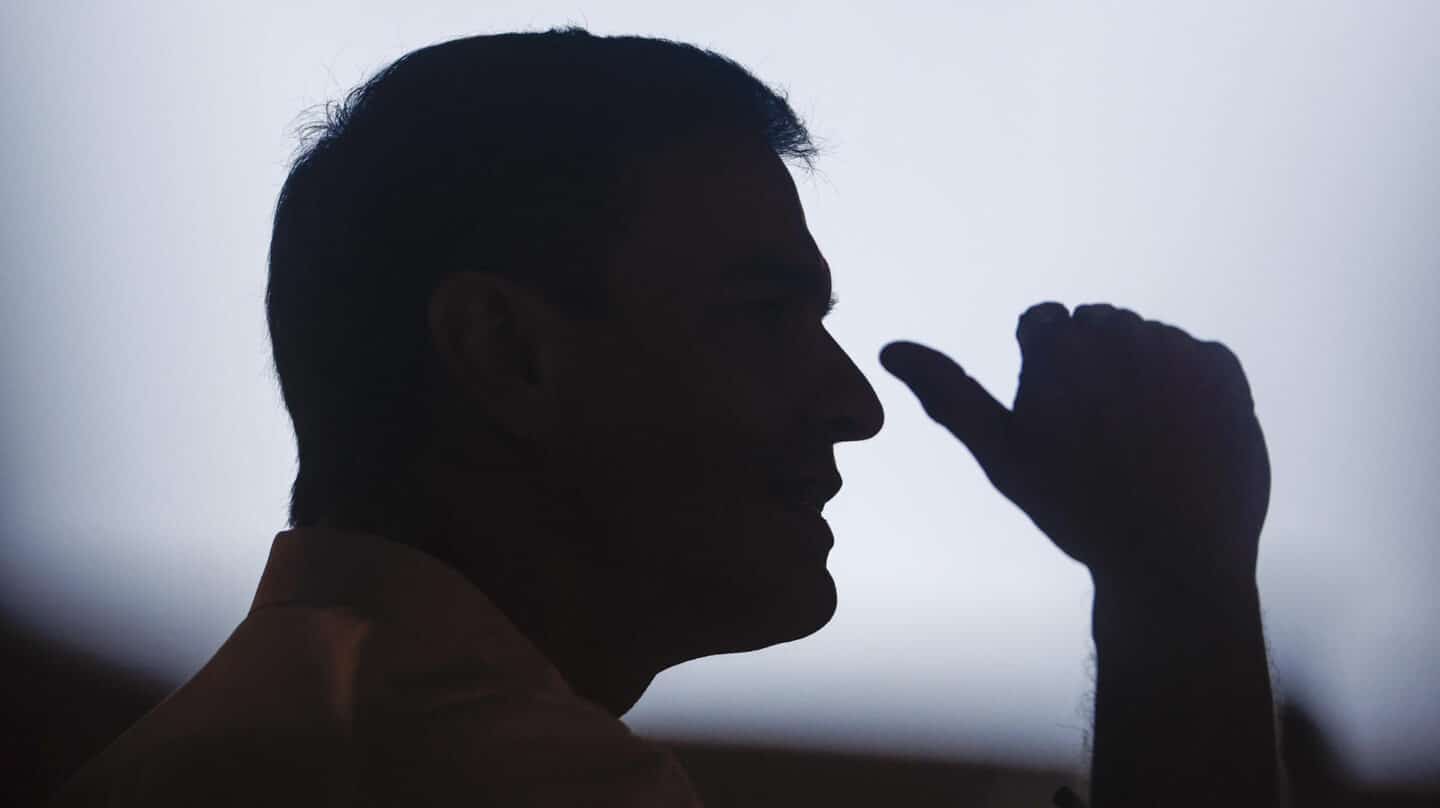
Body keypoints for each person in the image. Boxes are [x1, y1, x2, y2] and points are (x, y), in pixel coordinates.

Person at [54, 26, 1281, 807]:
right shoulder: (482, 772)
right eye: (761, 315)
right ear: (507, 350)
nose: (854, 406)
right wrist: (1180, 585)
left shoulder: (261, 736)